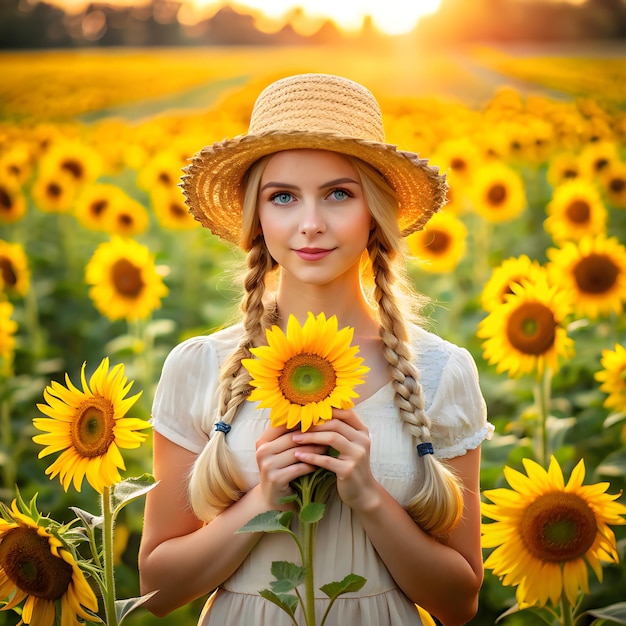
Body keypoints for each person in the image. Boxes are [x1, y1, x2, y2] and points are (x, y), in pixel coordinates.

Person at [138, 73, 493, 626]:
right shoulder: (201, 366)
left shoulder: (438, 372)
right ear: (257, 217)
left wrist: (370, 497)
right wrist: (262, 502)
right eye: (282, 197)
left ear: (374, 209)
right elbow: (158, 591)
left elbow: (459, 604)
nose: (309, 225)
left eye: (338, 194)